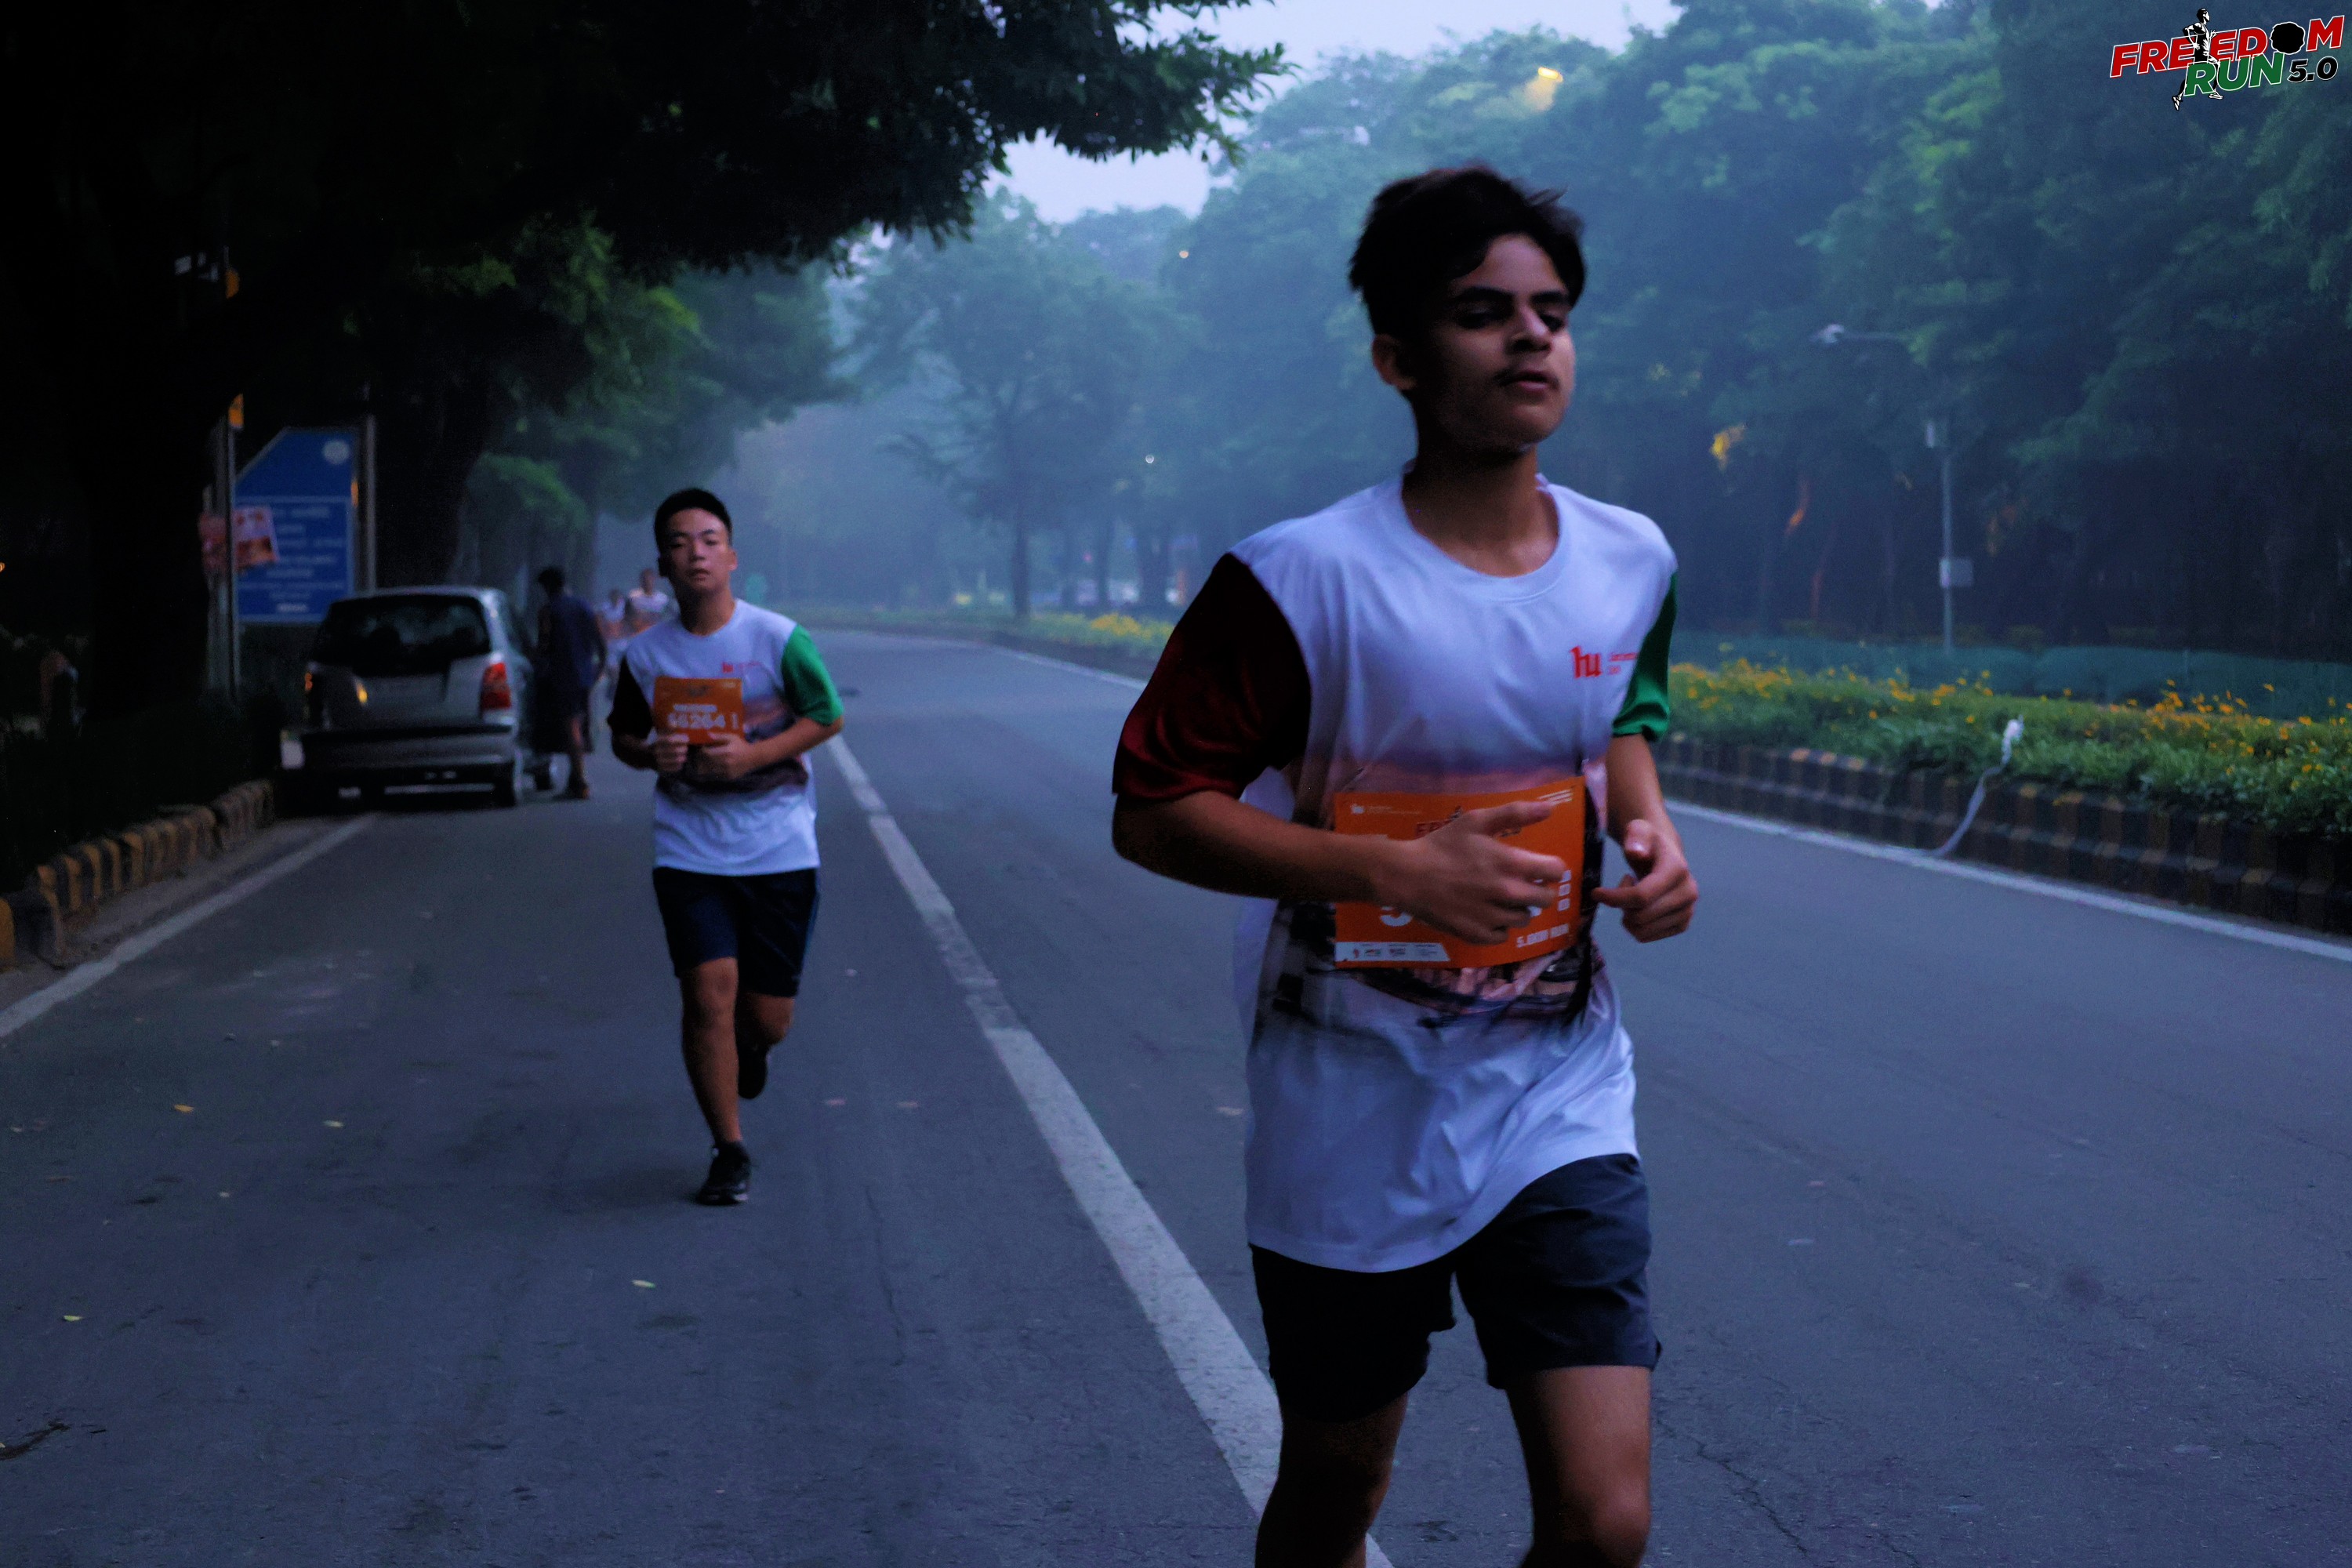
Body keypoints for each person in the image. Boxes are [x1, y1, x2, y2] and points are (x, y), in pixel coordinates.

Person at [1109, 167, 1697, 1568]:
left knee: (1606, 1522)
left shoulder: (1632, 559)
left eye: (1552, 312)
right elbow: (1152, 809)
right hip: (1348, 1101)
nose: (1532, 337)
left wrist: (1650, 833)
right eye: (1484, 313)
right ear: (1399, 359)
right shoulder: (1297, 580)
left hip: (1557, 1084)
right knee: (1337, 1486)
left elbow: (1617, 715)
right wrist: (1396, 874)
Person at [608, 488, 845, 1205]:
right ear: (663, 564)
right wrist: (651, 755)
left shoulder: (778, 638)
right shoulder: (646, 655)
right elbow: (624, 737)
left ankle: (753, 1047)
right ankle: (729, 1150)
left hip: (778, 849)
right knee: (707, 995)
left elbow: (827, 715)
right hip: (689, 850)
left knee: (768, 1018)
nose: (697, 553)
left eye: (710, 540)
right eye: (680, 542)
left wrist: (753, 756)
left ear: (732, 556)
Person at [534, 565, 608, 800]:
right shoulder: (584, 607)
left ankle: (581, 781)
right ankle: (575, 779)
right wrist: (598, 669)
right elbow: (600, 641)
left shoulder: (549, 611)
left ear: (548, 587)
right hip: (584, 676)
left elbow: (544, 646)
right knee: (579, 726)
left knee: (571, 728)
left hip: (563, 677)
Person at [624, 567, 673, 634]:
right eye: (645, 580)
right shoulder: (633, 597)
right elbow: (627, 616)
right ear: (641, 581)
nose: (647, 582)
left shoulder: (663, 599)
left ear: (654, 580)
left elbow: (668, 617)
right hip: (639, 632)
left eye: (649, 579)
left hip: (657, 632)